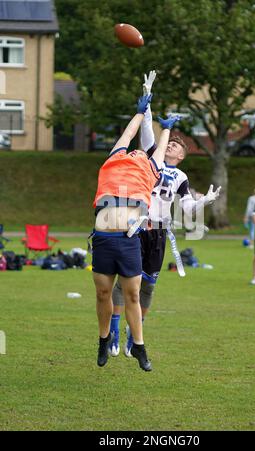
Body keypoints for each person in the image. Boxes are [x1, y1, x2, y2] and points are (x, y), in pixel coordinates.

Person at [109, 70, 221, 357]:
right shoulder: (150, 159)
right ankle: (113, 328)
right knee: (125, 281)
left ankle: (136, 338)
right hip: (137, 226)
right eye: (168, 142)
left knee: (148, 287)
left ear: (181, 156)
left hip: (159, 231)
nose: (169, 144)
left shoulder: (181, 176)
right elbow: (147, 132)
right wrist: (147, 103)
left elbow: (186, 209)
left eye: (174, 145)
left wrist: (204, 201)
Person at [92, 92, 181, 371]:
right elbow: (128, 135)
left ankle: (139, 346)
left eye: (140, 152)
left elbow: (158, 149)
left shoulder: (150, 169)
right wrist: (140, 113)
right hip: (104, 237)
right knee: (103, 294)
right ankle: (103, 339)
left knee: (132, 294)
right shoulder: (115, 159)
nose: (135, 151)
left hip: (128, 239)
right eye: (132, 150)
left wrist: (166, 129)